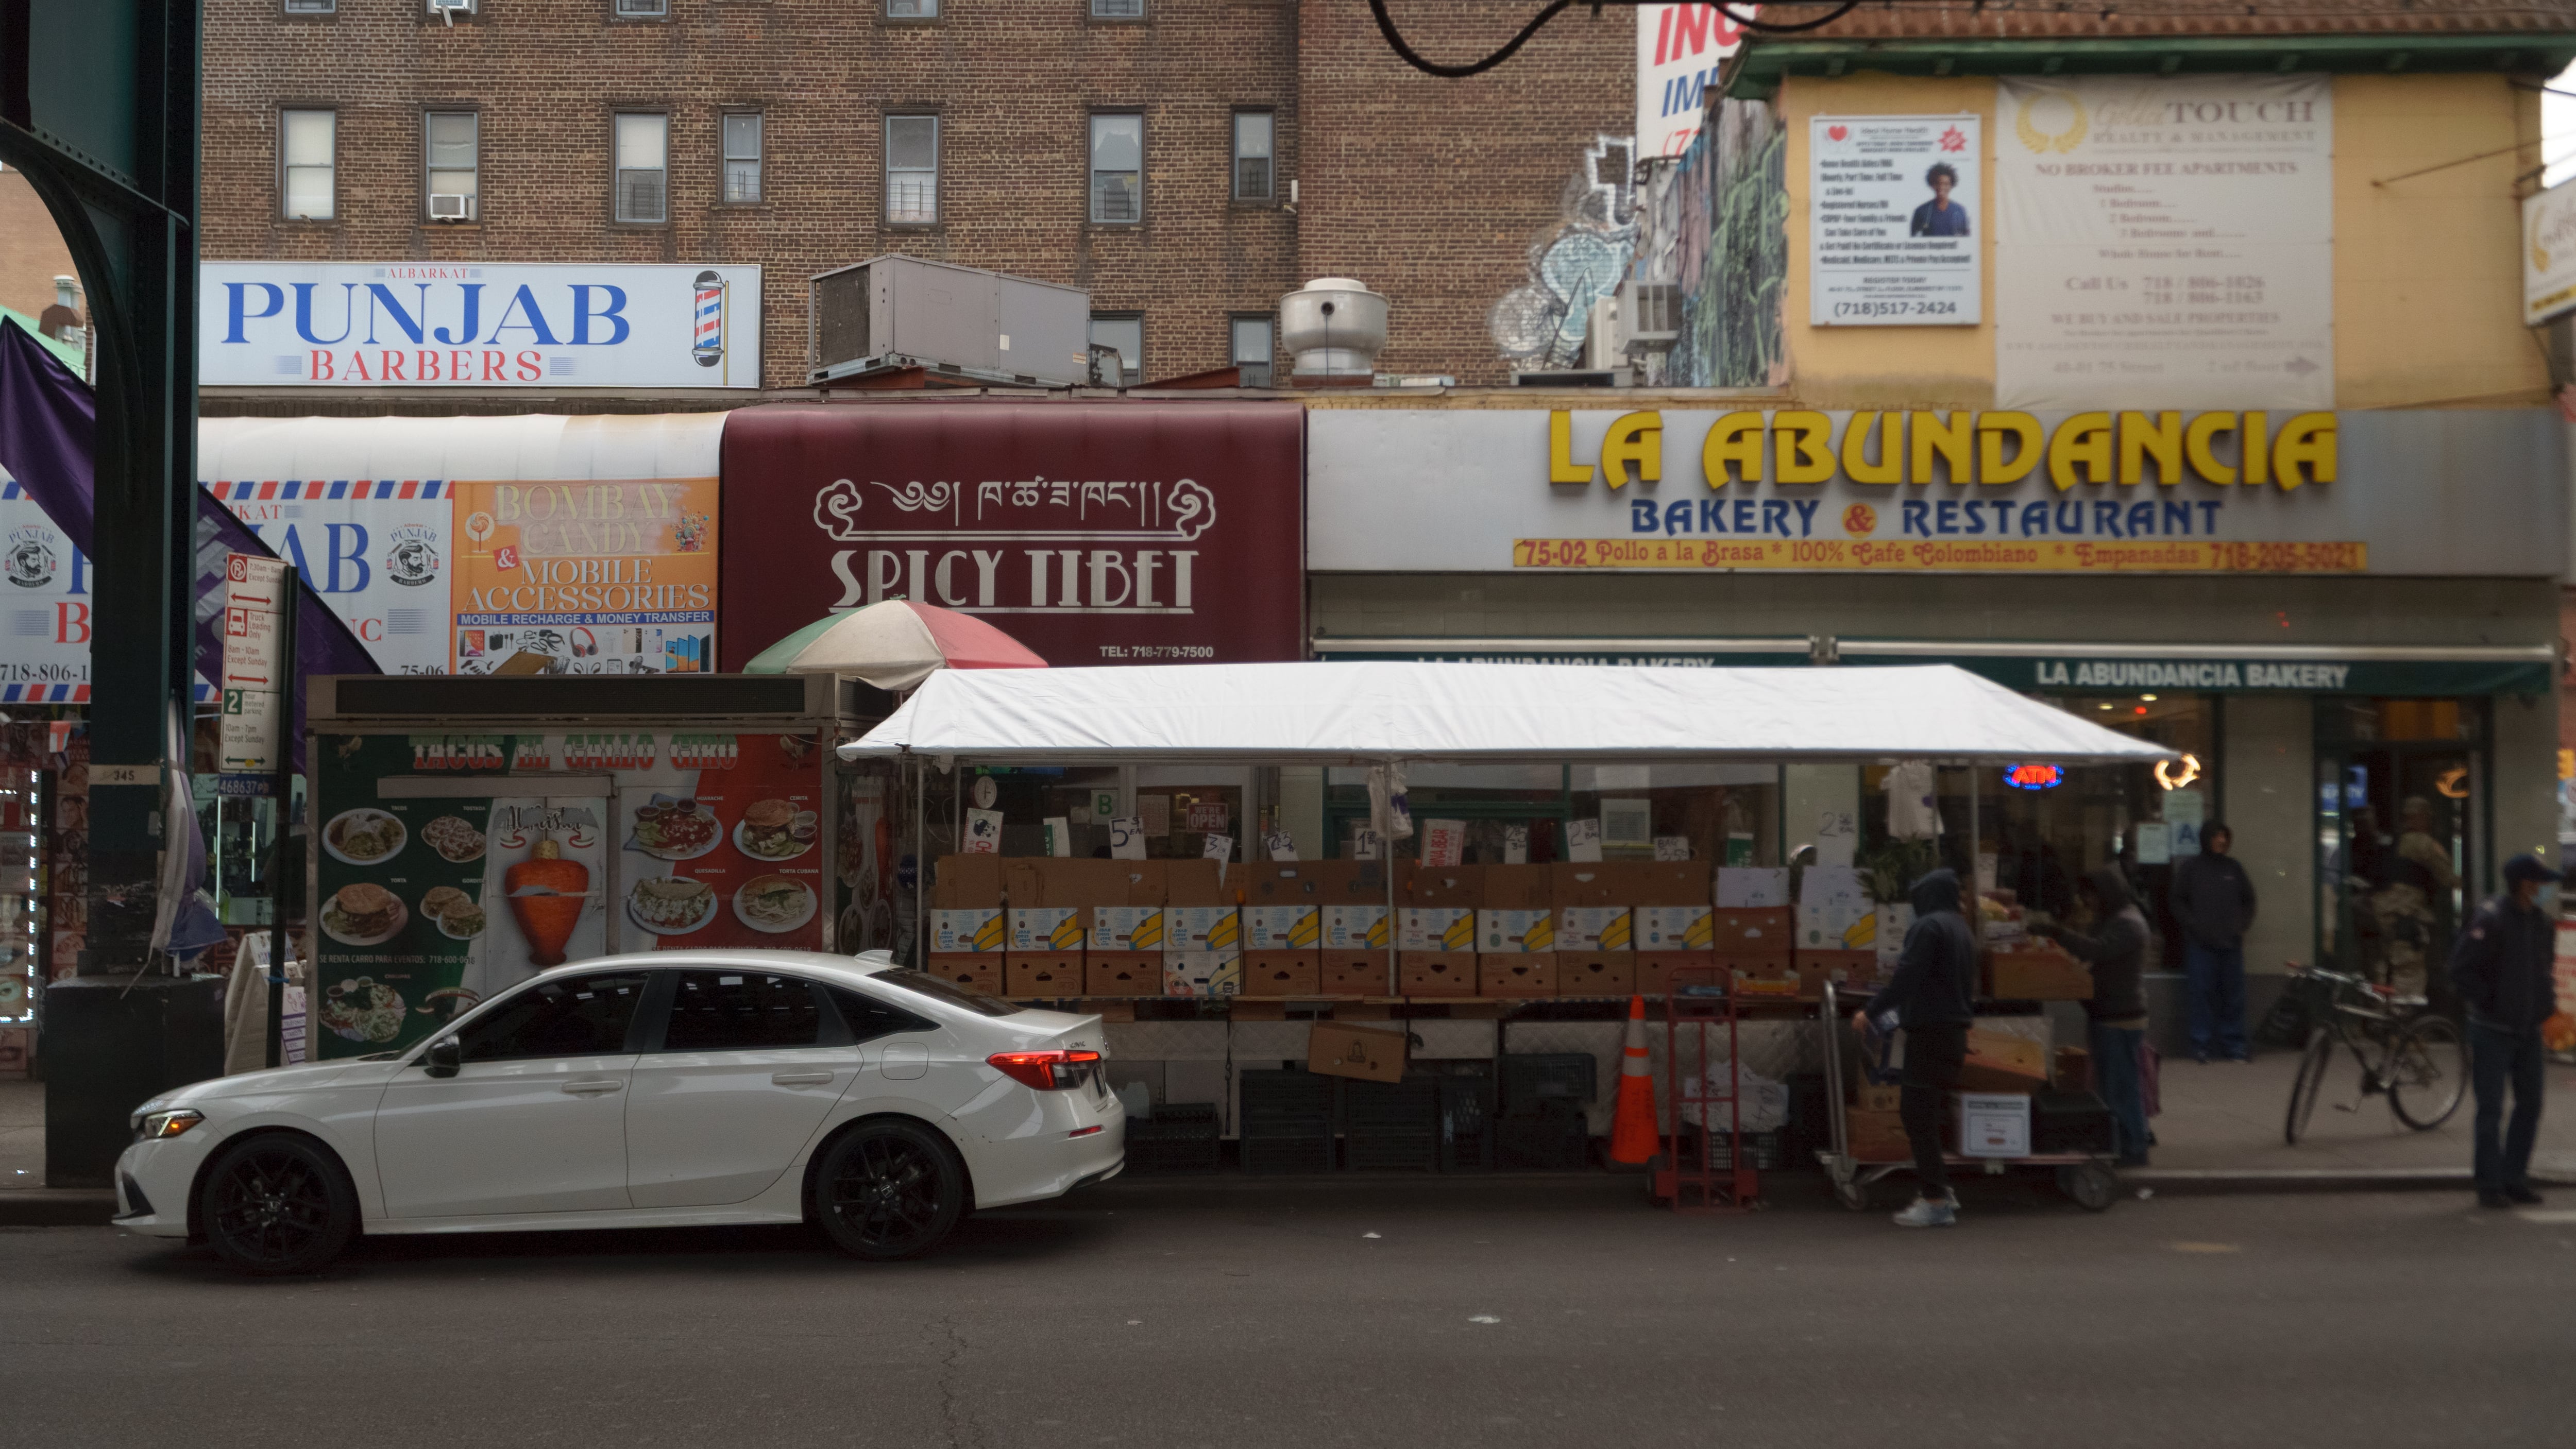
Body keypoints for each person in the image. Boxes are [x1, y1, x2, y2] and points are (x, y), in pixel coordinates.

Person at [1852, 867, 1978, 1228]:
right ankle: (1941, 1191)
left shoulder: (1929, 927)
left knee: (1916, 1113)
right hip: (1953, 1032)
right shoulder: (1960, 929)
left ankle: (1936, 1199)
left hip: (1930, 1032)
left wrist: (1870, 1010)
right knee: (1929, 1114)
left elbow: (1907, 977)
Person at [2448, 851, 2561, 1209]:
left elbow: (2543, 971)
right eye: (2541, 882)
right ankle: (2490, 1184)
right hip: (2492, 1028)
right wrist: (2490, 1001)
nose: (2545, 888)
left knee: (2530, 1103)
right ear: (2525, 884)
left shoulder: (2540, 922)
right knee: (2491, 1109)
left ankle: (2514, 1177)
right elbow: (2460, 969)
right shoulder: (2492, 918)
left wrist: (2546, 1008)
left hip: (2527, 1029)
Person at [2033, 866, 2152, 1167]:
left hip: (2120, 1017)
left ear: (2105, 893)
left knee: (2121, 1088)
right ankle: (2124, 1143)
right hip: (2108, 1013)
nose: (2088, 903)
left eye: (2091, 896)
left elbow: (2098, 951)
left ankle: (2133, 1148)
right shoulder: (2114, 919)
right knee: (2112, 1086)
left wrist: (2059, 934)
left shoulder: (2128, 924)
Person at [2171, 821, 2256, 1063]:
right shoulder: (2191, 869)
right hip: (2201, 945)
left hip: (2231, 944)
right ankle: (2201, 1045)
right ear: (2206, 839)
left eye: (2224, 837)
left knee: (2234, 997)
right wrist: (2193, 926)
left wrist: (2240, 926)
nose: (2221, 841)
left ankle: (2235, 1045)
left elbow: (2249, 901)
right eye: (2217, 836)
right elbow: (2177, 901)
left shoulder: (2234, 868)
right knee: (2201, 995)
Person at [2374, 796, 2459, 1000]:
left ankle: (2380, 1020)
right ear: (2421, 817)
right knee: (2409, 973)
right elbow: (2448, 878)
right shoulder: (2424, 843)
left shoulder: (2390, 843)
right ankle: (2402, 1025)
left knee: (2384, 971)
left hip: (2381, 917)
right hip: (2406, 918)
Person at [1910, 163, 1971, 237]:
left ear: (1951, 186)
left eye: (1946, 184)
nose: (1941, 187)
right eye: (1938, 183)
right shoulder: (1921, 211)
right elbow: (1914, 238)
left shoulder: (1959, 211)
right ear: (1932, 185)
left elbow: (1966, 238)